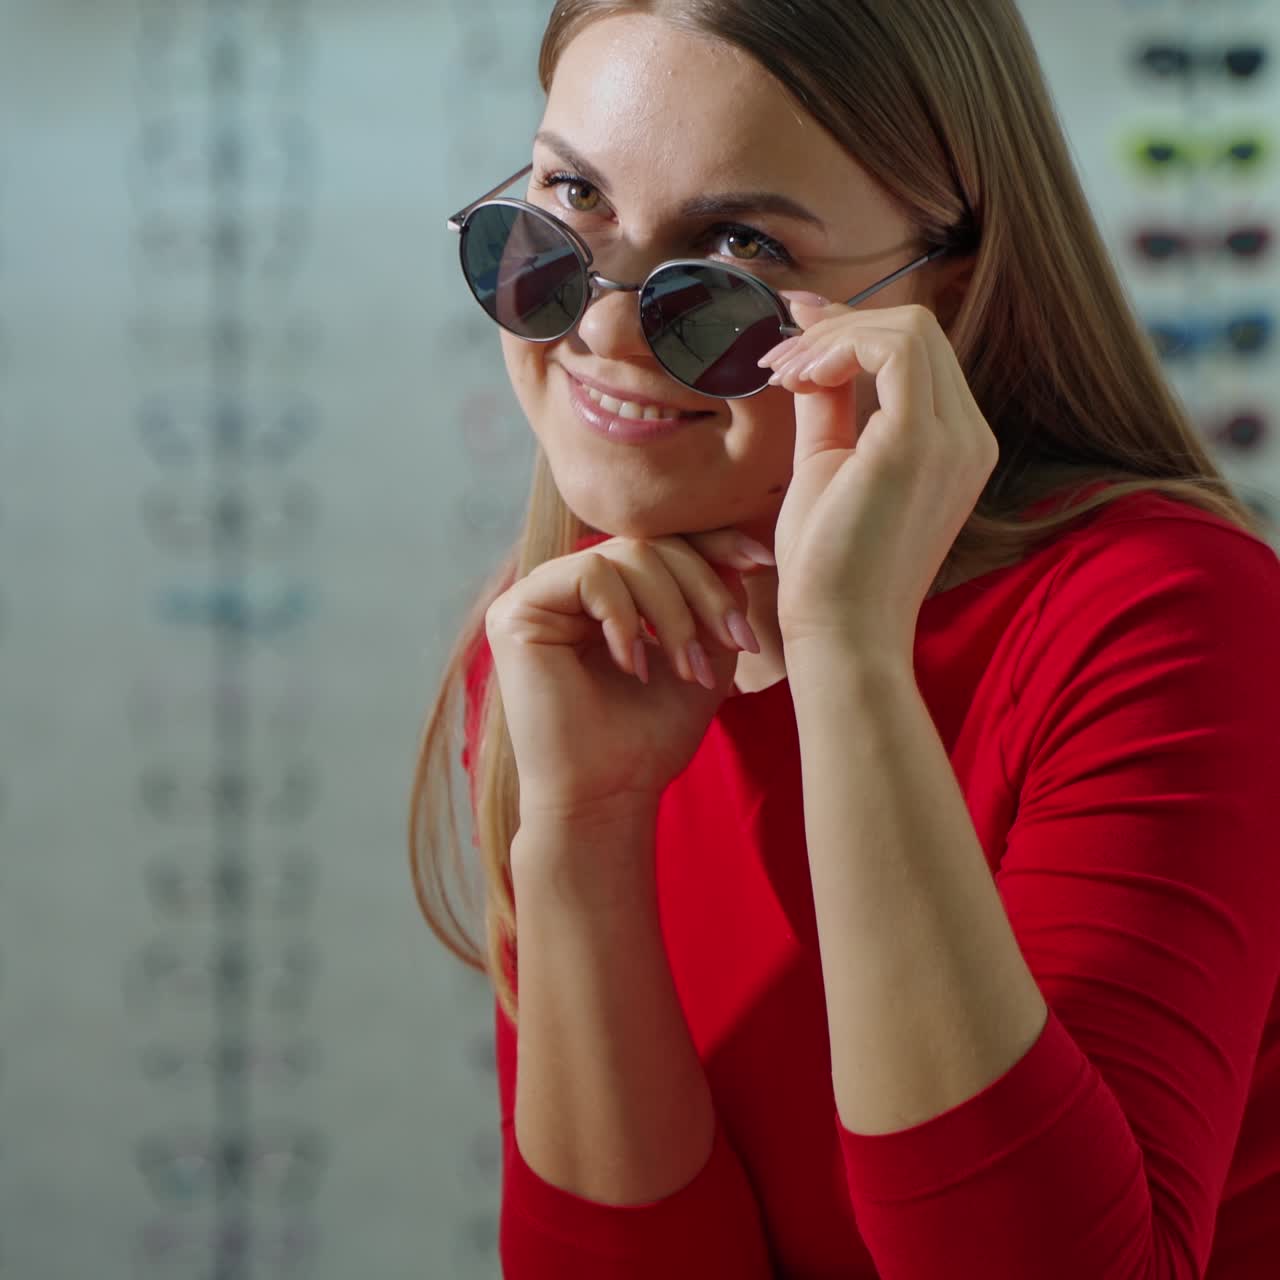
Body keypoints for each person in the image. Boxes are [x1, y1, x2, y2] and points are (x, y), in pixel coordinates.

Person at [409, 2, 1280, 1276]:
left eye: (736, 248)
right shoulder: (568, 642)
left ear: (945, 286)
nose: (598, 329)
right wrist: (587, 836)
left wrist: (846, 657)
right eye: (567, 201)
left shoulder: (1162, 614)